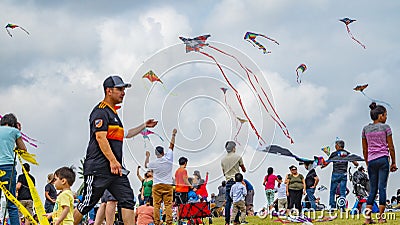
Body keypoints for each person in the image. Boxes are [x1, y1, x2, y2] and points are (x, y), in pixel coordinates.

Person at [73, 75, 158, 225]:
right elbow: (100, 138)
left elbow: (127, 134)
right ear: (108, 91)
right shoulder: (100, 112)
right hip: (99, 168)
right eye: (119, 89)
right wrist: (112, 160)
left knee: (127, 199)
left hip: (116, 170)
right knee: (87, 203)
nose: (123, 92)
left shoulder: (114, 114)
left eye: (124, 89)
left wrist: (144, 125)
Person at [362, 102, 397, 224]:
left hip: (371, 160)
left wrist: (367, 162)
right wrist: (394, 162)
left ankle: (367, 219)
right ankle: (381, 217)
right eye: (385, 115)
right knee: (382, 187)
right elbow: (391, 147)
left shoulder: (365, 129)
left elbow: (365, 149)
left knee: (372, 190)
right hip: (383, 159)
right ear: (380, 116)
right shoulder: (386, 127)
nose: (386, 117)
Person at [145, 128, 177, 225]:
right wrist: (173, 135)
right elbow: (171, 146)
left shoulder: (154, 163)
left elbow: (146, 165)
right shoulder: (168, 158)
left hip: (157, 185)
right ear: (163, 152)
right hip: (167, 185)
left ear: (156, 154)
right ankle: (169, 222)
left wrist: (147, 156)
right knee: (168, 205)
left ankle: (157, 222)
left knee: (156, 205)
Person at [0, 113, 27, 225]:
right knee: (11, 203)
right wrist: (18, 131)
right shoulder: (14, 131)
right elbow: (23, 149)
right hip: (8, 168)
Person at [321, 139, 358, 211]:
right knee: (342, 191)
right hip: (344, 174)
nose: (335, 146)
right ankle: (342, 207)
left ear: (338, 146)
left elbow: (326, 164)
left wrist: (321, 164)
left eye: (335, 145)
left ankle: (332, 207)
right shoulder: (347, 153)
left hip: (335, 174)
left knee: (332, 191)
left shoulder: (334, 154)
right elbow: (356, 163)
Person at [221, 141, 246, 225]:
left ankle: (227, 221)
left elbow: (224, 172)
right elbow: (243, 169)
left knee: (228, 202)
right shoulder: (238, 157)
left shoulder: (223, 160)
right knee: (237, 201)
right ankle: (236, 220)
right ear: (233, 148)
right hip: (236, 182)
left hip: (228, 182)